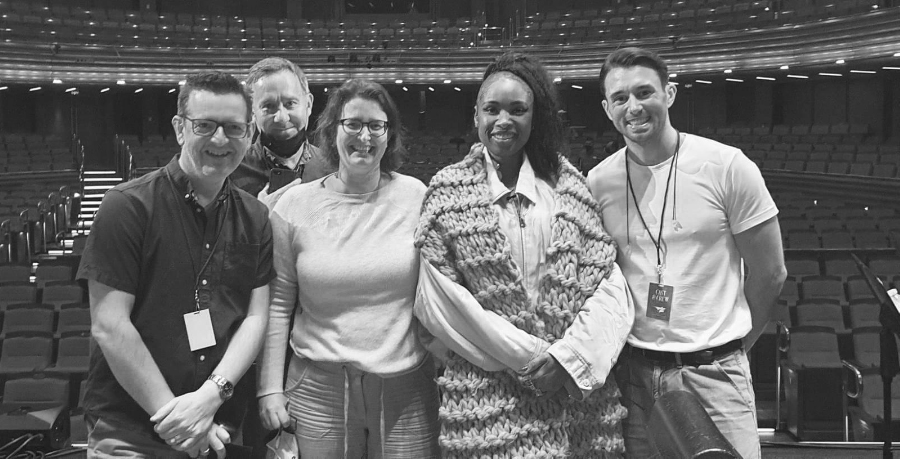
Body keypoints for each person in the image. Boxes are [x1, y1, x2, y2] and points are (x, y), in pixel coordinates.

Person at [414, 51, 632, 458]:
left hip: (573, 397)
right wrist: (532, 359)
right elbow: (441, 302)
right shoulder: (447, 192)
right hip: (485, 395)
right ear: (476, 114)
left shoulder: (570, 186)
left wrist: (568, 360)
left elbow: (608, 285)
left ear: (536, 116)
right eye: (492, 109)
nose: (503, 121)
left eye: (518, 110)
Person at [587, 47, 787, 458]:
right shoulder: (599, 181)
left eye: (645, 93)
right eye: (621, 98)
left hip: (716, 373)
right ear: (606, 109)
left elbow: (771, 273)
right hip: (636, 376)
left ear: (670, 94)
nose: (634, 107)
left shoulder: (727, 166)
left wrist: (729, 349)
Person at [77, 71, 275, 458]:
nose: (220, 139)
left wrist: (208, 400)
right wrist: (179, 421)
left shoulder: (255, 216)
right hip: (131, 430)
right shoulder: (126, 206)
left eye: (234, 128)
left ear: (250, 133)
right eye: (205, 125)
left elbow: (255, 319)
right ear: (180, 129)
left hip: (216, 427)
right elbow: (109, 325)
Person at [257, 78, 440, 458]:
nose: (365, 136)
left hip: (405, 385)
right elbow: (278, 305)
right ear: (332, 130)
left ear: (389, 135)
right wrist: (269, 389)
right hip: (317, 387)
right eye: (352, 124)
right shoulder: (294, 204)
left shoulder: (416, 196)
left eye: (376, 125)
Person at [231, 57, 332, 202]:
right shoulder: (232, 171)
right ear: (252, 112)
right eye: (268, 106)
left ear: (308, 104)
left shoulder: (332, 168)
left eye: (290, 103)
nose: (282, 117)